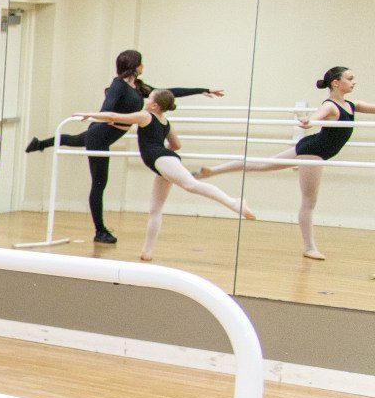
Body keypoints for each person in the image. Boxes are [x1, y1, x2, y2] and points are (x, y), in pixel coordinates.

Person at [24, 50, 222, 244]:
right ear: (135, 67)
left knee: (74, 140)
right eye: (141, 63)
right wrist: (109, 119)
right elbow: (107, 108)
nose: (144, 66)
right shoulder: (118, 85)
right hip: (99, 136)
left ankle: (40, 144)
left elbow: (167, 93)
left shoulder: (138, 87)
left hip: (103, 135)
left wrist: (202, 90)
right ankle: (100, 231)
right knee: (99, 183)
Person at [197, 66, 363, 260]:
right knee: (309, 202)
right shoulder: (330, 106)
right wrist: (308, 121)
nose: (354, 81)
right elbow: (316, 116)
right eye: (350, 78)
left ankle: (213, 171)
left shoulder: (352, 105)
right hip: (313, 153)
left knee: (260, 165)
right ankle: (309, 248)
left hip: (310, 148)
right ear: (336, 83)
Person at [83, 91, 253, 261]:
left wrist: (89, 115)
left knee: (191, 185)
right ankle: (147, 252)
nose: (146, 100)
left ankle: (234, 202)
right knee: (155, 209)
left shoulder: (145, 116)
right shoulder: (165, 122)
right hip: (163, 162)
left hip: (161, 160)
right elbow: (176, 145)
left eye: (149, 98)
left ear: (155, 105)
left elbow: (114, 115)